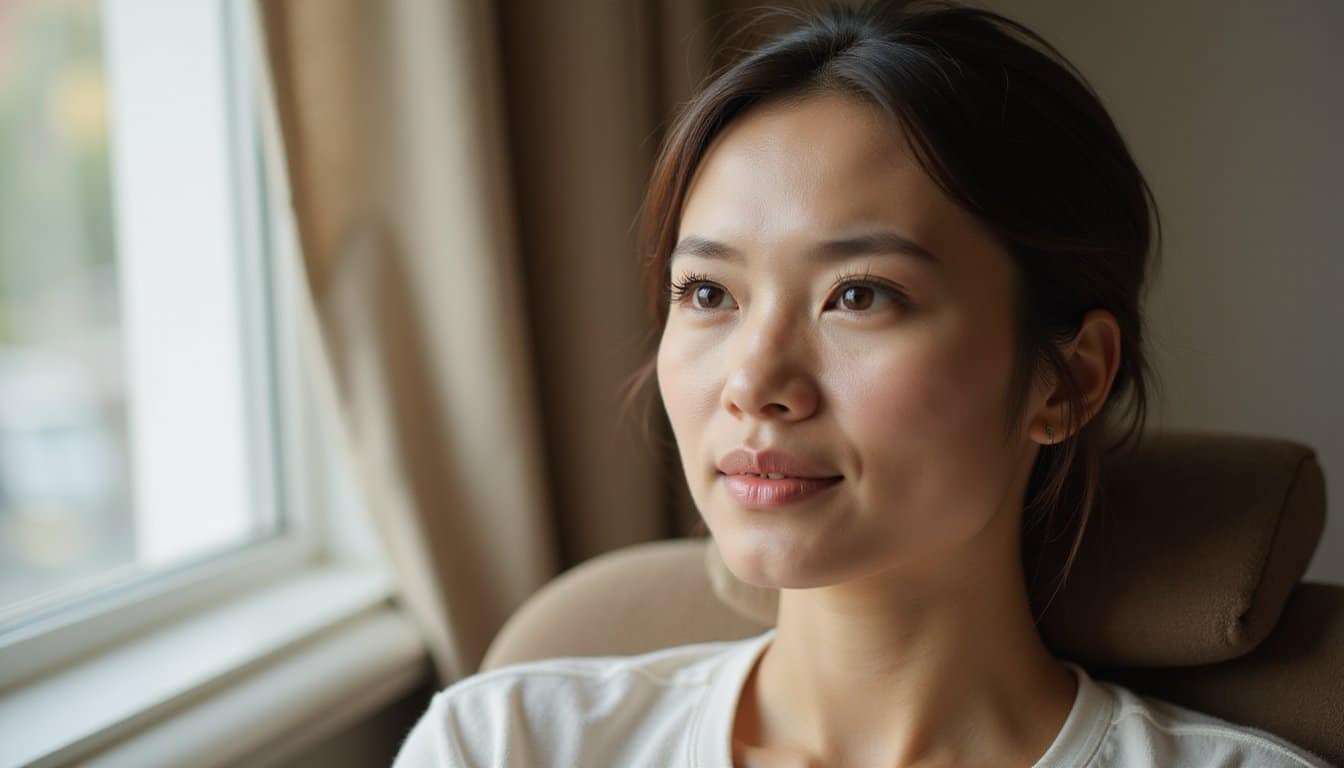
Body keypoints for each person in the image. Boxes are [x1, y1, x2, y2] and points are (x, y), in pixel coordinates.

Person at [393, 1, 1334, 766]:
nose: (756, 382)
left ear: (1066, 381)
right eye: (709, 291)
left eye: (859, 296)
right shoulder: (503, 746)